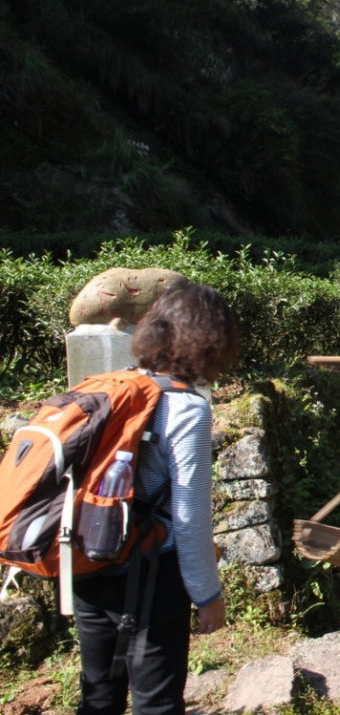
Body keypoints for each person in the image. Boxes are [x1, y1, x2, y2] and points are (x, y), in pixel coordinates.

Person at [74, 280, 238, 714]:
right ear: (209, 341)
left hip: (88, 561)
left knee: (98, 695)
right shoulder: (186, 408)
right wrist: (207, 596)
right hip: (150, 571)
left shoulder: (111, 388)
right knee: (157, 701)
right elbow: (188, 517)